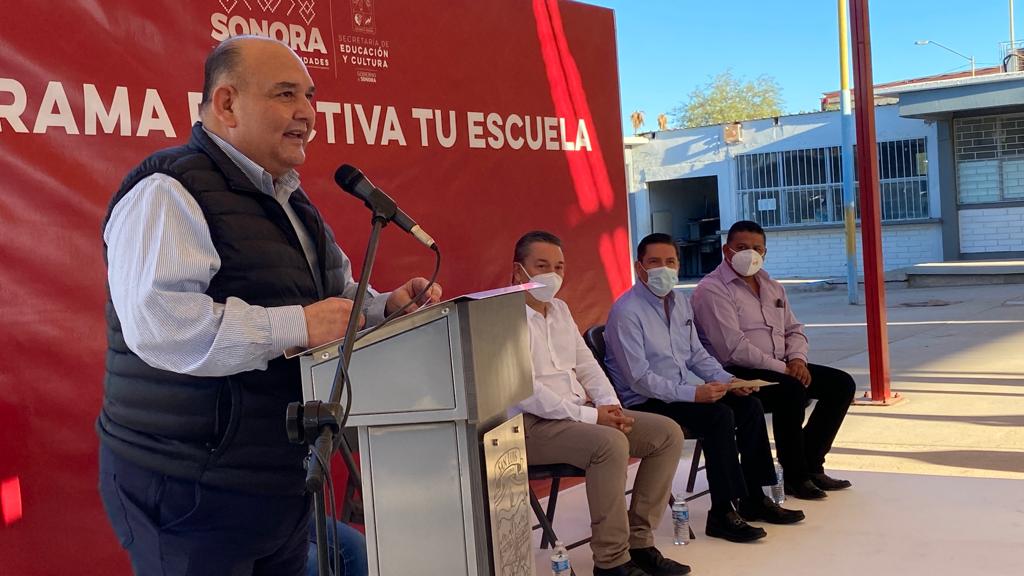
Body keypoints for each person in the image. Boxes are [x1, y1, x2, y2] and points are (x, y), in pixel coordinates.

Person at [97, 35, 440, 575]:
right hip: (188, 488)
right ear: (227, 103)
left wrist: (383, 309)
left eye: (309, 96)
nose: (307, 112)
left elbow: (336, 298)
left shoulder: (292, 202)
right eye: (286, 94)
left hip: (275, 480)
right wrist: (297, 325)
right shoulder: (167, 190)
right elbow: (160, 324)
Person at [604, 233, 804, 543]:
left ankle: (754, 497)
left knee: (748, 406)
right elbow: (639, 378)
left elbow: (697, 354)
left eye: (670, 261)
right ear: (638, 267)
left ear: (678, 266)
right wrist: (694, 394)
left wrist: (729, 381)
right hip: (645, 402)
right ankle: (722, 513)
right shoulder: (626, 312)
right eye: (654, 262)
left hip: (680, 393)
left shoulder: (679, 302)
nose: (663, 269)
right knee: (718, 417)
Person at [509, 231, 688, 576]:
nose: (552, 275)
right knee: (609, 443)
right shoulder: (501, 318)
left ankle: (639, 543)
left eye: (559, 267)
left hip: (577, 416)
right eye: (542, 266)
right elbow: (524, 390)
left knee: (667, 433)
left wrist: (611, 406)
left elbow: (587, 365)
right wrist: (592, 416)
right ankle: (611, 561)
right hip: (529, 426)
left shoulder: (560, 309)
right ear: (519, 271)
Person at [691, 220, 855, 499]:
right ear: (726, 251)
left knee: (841, 385)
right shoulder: (712, 290)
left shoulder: (772, 286)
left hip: (782, 366)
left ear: (765, 253)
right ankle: (795, 475)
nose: (750, 253)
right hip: (736, 373)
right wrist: (785, 369)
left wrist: (798, 360)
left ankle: (811, 464)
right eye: (742, 247)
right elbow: (733, 348)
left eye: (757, 248)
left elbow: (794, 329)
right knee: (790, 390)